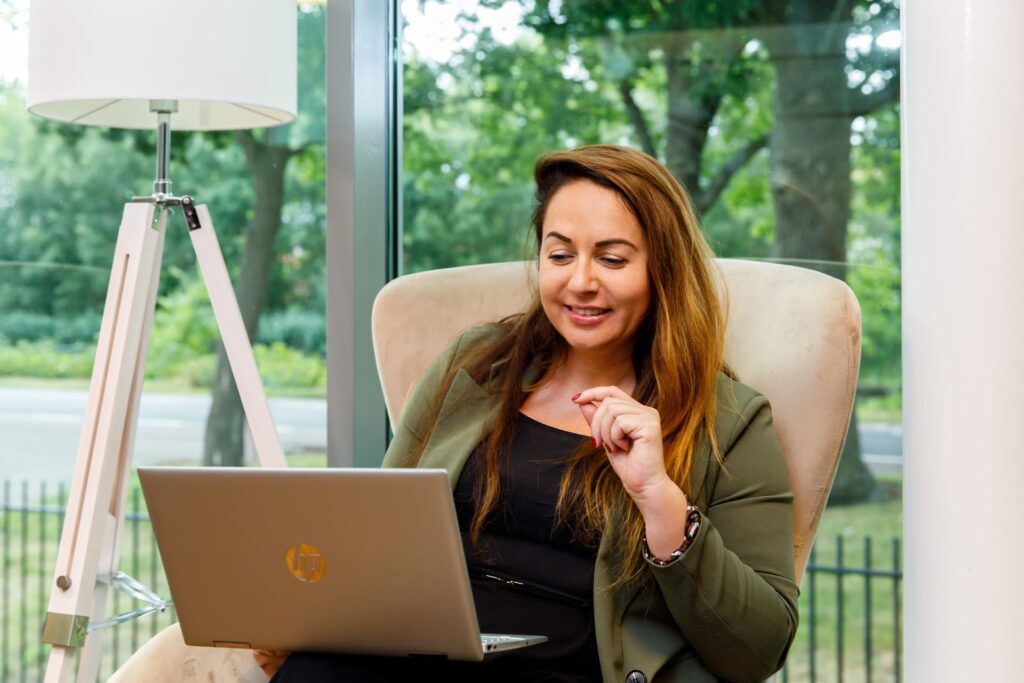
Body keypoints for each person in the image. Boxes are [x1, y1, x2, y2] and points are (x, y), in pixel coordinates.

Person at [258, 144, 798, 682]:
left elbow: (757, 650)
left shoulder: (730, 422)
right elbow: (378, 533)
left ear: (663, 271)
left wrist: (659, 499)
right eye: (560, 255)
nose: (580, 281)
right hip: (417, 651)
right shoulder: (474, 365)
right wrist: (310, 619)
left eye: (612, 259)